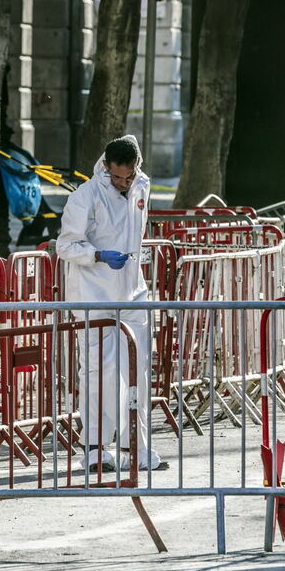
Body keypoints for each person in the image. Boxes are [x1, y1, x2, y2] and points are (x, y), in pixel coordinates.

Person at [56, 135, 162, 472]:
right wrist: (98, 255)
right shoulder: (85, 196)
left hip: (132, 289)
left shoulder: (141, 187)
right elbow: (65, 246)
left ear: (136, 169)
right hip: (93, 294)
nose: (122, 183)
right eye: (117, 176)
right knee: (98, 370)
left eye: (128, 176)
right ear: (106, 167)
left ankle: (137, 447)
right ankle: (95, 446)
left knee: (138, 368)